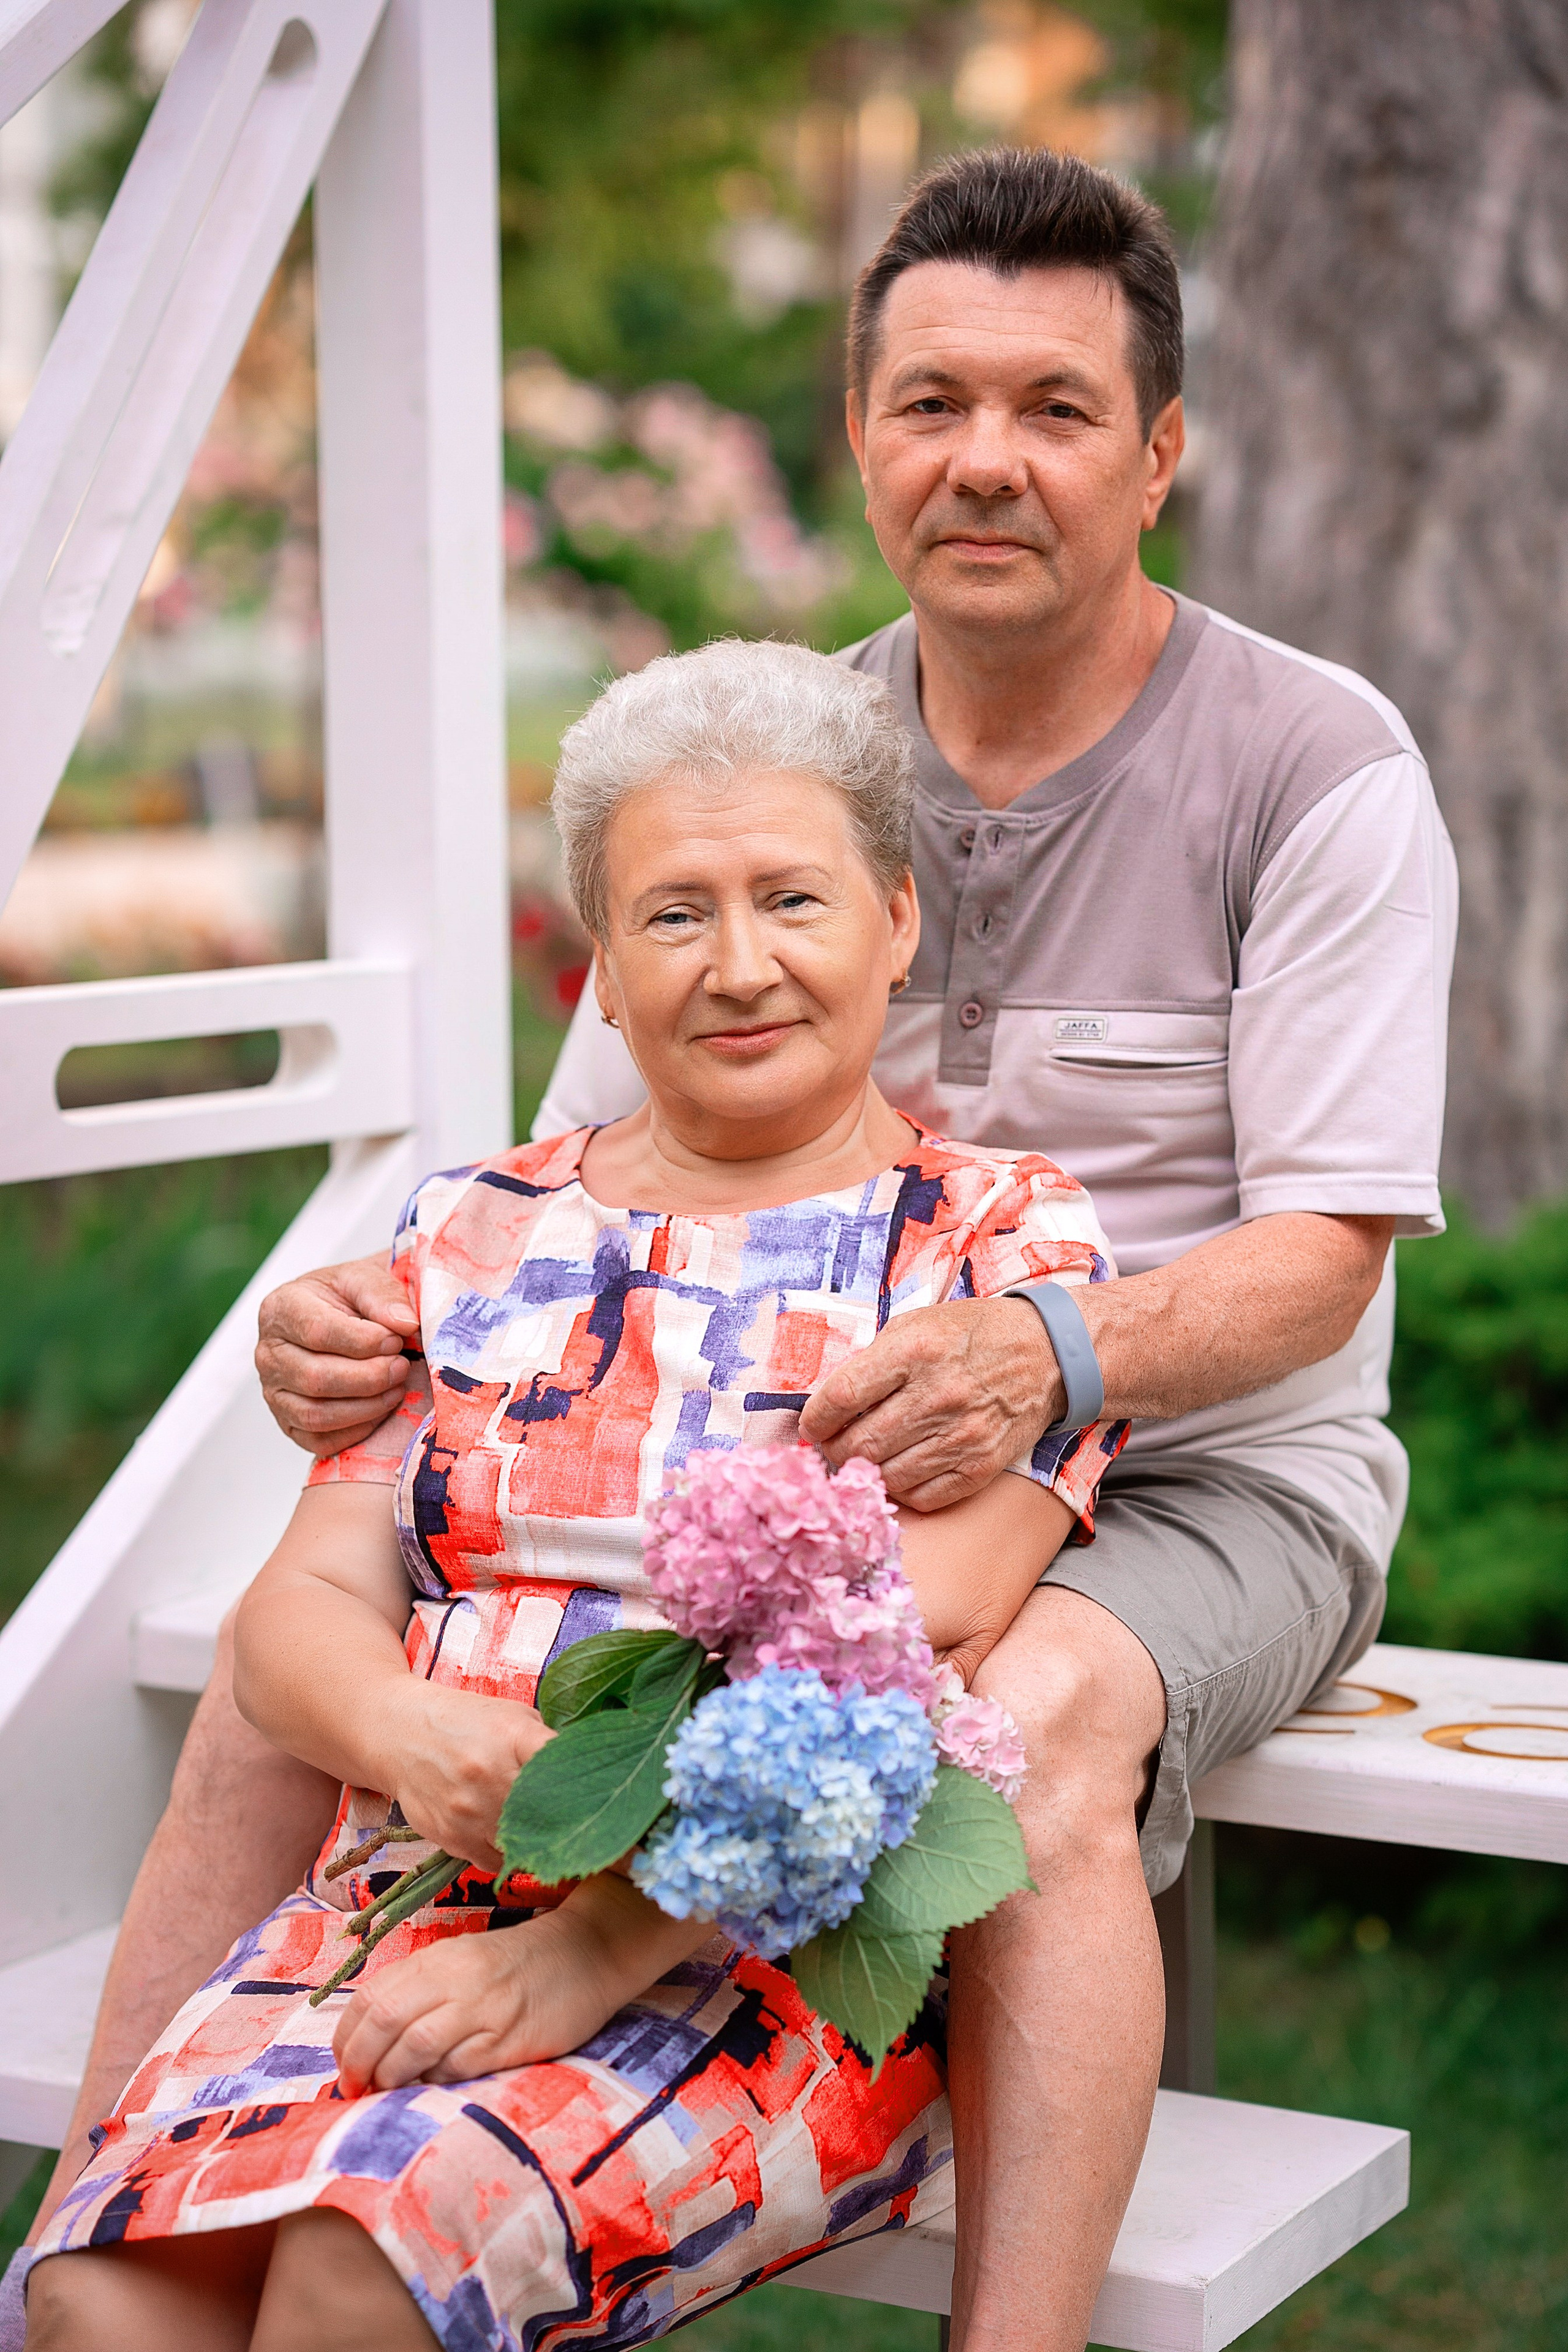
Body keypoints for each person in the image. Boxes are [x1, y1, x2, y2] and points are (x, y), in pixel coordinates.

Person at [23, 144, 1458, 2352]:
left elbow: (1327, 1259)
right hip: (817, 1428)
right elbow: (588, 1177)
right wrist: (370, 1322)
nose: (987, 460)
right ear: (864, 441)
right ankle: (125, 2210)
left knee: (1027, 1710)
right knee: (278, 1669)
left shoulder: (1313, 765)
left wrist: (1046, 1352)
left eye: (1058, 409)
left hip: (1208, 1461)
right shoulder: (781, 751)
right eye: (931, 403)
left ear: (1159, 455)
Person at [24, 641, 1129, 2352]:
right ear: (602, 971)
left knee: (363, 2273)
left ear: (898, 922)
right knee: (105, 2302)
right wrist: (414, 1737)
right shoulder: (466, 1230)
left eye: (793, 899)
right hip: (409, 1892)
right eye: (674, 914)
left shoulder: (994, 1248)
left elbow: (917, 1638)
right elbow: (303, 1610)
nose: (741, 965)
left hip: (760, 1952)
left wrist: (588, 1948)